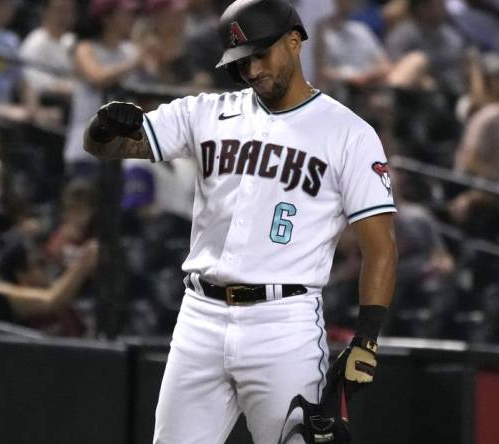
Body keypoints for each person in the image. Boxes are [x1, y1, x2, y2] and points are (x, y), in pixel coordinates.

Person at [83, 1, 398, 442]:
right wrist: (103, 126)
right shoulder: (206, 112)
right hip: (200, 317)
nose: (250, 70)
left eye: (259, 55)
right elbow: (109, 147)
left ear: (293, 42)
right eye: (240, 62)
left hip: (283, 323)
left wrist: (367, 336)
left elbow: (380, 246)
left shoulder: (349, 133)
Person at [63, 0, 141, 177]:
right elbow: (96, 77)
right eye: (125, 14)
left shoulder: (130, 50)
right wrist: (133, 64)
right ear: (107, 18)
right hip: (86, 149)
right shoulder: (84, 48)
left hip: (121, 153)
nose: (131, 18)